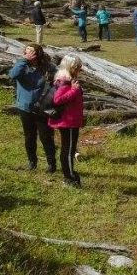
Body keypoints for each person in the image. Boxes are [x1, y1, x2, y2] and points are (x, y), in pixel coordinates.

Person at [9, 44, 57, 173]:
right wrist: (23, 60)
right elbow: (13, 75)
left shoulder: (48, 67)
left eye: (31, 51)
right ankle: (32, 162)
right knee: (29, 136)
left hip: (43, 108)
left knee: (45, 137)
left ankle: (51, 164)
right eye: (26, 51)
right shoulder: (22, 65)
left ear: (37, 54)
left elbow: (57, 82)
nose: (27, 53)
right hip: (25, 107)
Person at [48, 54, 84, 187]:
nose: (79, 69)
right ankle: (70, 177)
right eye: (77, 67)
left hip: (71, 120)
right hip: (68, 121)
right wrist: (74, 90)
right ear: (71, 67)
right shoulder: (65, 80)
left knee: (68, 149)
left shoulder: (68, 79)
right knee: (68, 150)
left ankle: (68, 175)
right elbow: (57, 100)